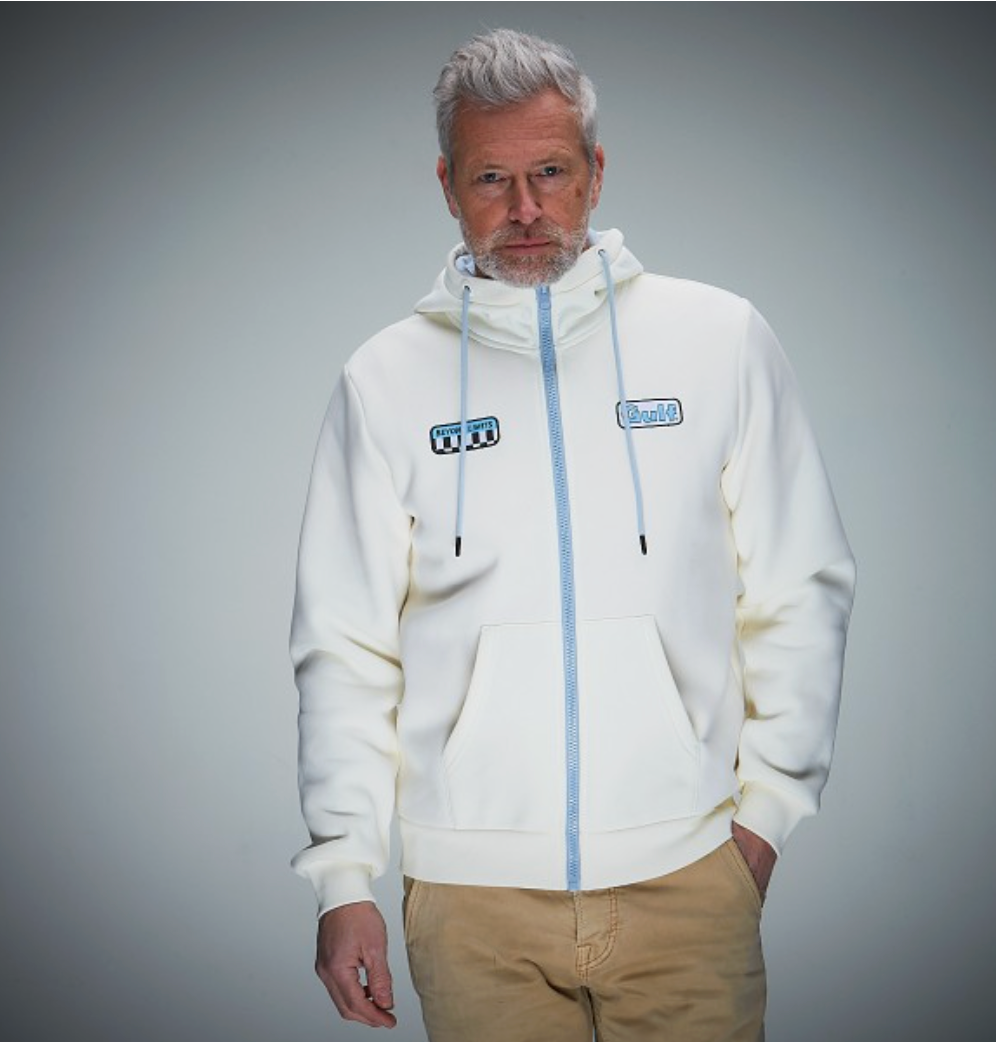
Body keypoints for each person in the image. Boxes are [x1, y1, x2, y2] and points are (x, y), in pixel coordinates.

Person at [290, 28, 855, 1042]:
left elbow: (799, 587)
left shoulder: (718, 339)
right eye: (490, 179)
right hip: (469, 902)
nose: (524, 209)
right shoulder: (383, 381)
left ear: (595, 172)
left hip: (689, 879)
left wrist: (764, 820)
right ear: (447, 186)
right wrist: (343, 877)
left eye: (549, 172)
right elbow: (344, 645)